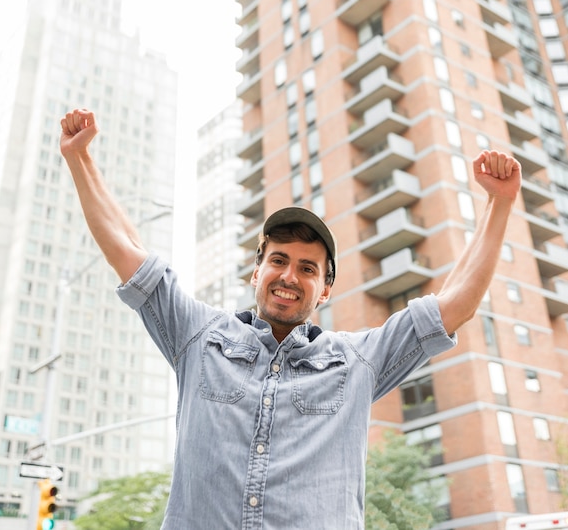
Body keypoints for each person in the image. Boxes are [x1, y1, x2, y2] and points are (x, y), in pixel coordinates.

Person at [60, 108, 522, 530]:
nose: (289, 276)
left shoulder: (358, 360)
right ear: (256, 271)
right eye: (278, 260)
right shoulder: (200, 336)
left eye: (307, 268)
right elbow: (129, 252)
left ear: (325, 289)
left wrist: (498, 204)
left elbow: (454, 305)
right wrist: (80, 159)